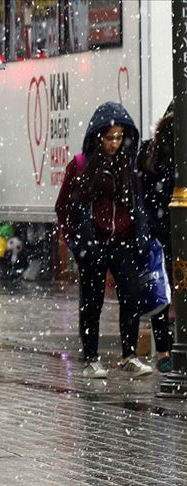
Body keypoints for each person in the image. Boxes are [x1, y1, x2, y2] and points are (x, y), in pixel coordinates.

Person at [55, 102, 154, 379]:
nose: (115, 143)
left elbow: (137, 202)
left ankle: (129, 354)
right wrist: (75, 239)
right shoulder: (81, 165)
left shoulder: (128, 165)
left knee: (131, 295)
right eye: (110, 137)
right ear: (98, 137)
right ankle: (91, 357)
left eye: (120, 137)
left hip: (122, 241)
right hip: (94, 242)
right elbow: (63, 206)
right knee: (92, 301)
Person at [138, 102, 175, 373]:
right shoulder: (160, 152)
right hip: (171, 233)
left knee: (160, 292)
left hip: (158, 234)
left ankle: (164, 350)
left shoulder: (149, 151)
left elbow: (140, 196)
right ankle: (168, 350)